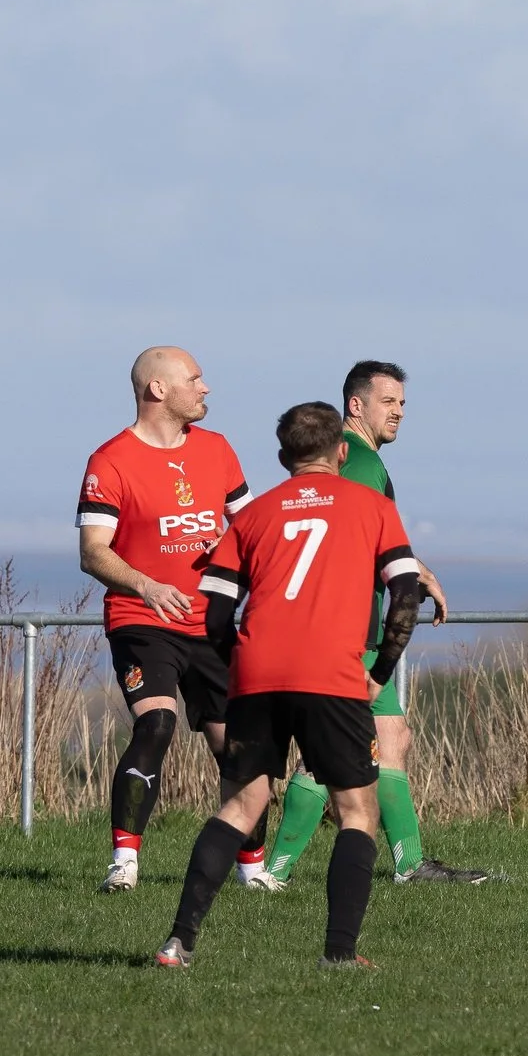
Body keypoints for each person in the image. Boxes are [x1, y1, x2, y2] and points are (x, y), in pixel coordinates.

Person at [154, 402, 426, 969]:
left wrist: (239, 667)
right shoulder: (373, 507)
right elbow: (404, 596)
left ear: (283, 458)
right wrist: (378, 674)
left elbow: (215, 613)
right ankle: (339, 955)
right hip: (333, 675)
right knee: (356, 810)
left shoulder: (252, 517)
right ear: (341, 451)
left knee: (240, 805)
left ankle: (178, 942)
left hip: (258, 676)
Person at [262, 361, 486, 885]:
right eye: (389, 402)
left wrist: (417, 571)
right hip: (347, 634)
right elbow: (352, 536)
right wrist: (410, 577)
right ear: (355, 406)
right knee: (332, 751)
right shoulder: (359, 462)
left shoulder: (357, 459)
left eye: (403, 404)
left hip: (339, 630)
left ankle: (408, 864)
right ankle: (273, 871)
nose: (399, 413)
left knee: (392, 737)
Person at [76, 347, 270, 893]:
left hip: (211, 622)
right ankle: (124, 861)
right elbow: (94, 551)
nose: (206, 388)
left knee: (240, 744)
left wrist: (230, 549)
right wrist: (145, 584)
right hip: (143, 618)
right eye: (195, 378)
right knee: (156, 724)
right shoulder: (109, 460)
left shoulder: (218, 450)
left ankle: (252, 870)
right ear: (158, 389)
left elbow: (251, 529)